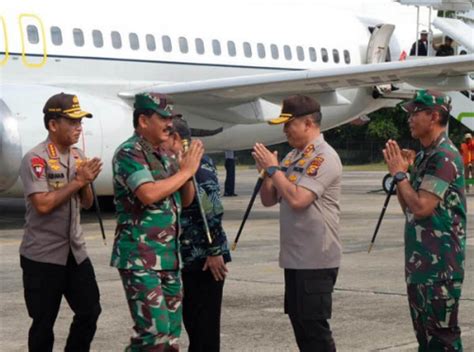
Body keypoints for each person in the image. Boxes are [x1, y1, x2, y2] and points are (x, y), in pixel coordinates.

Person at [111, 93, 204, 351]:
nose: (169, 124)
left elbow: (185, 201)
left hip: (168, 258)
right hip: (140, 257)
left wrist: (186, 172)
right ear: (143, 120)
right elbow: (148, 193)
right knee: (153, 335)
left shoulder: (163, 155)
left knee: (171, 338)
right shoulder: (130, 153)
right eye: (163, 118)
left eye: (171, 118)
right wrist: (184, 172)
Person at [252, 95, 342, 352]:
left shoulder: (324, 157)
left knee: (315, 331)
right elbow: (269, 199)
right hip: (295, 259)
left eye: (289, 123)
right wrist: (269, 172)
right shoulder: (293, 156)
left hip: (316, 259)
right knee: (301, 326)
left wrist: (274, 171)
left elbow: (298, 199)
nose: (284, 130)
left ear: (308, 123)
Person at [383, 89, 466, 351]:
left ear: (433, 116)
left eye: (415, 112)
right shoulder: (424, 157)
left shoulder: (444, 156)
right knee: (426, 340)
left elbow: (422, 207)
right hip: (421, 265)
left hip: (440, 266)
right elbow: (408, 206)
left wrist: (398, 175)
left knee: (443, 340)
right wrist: (403, 177)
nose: (410, 117)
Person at [19, 92, 102, 352]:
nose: (79, 127)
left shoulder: (78, 156)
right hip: (42, 256)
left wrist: (85, 181)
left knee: (90, 311)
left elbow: (87, 203)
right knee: (43, 324)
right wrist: (77, 181)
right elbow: (42, 204)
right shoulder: (36, 159)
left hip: (75, 253)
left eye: (81, 121)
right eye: (73, 121)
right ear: (54, 124)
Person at [162, 117, 231, 352]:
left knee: (204, 330)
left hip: (204, 259)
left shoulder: (198, 167)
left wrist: (214, 251)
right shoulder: (180, 165)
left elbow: (211, 208)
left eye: (165, 139)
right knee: (193, 322)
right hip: (187, 255)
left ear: (176, 139)